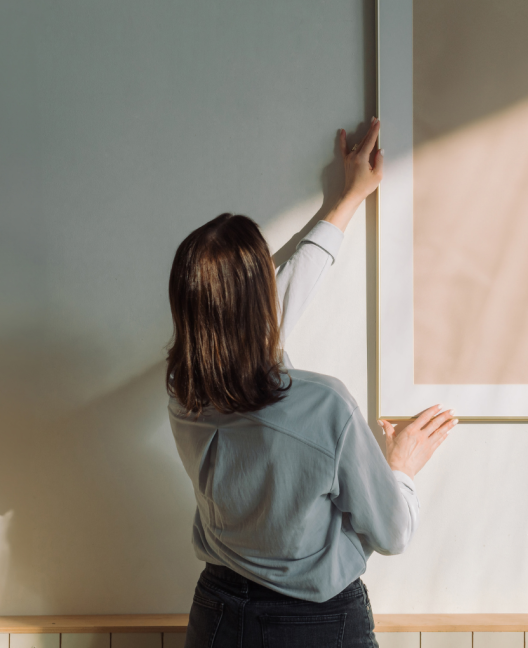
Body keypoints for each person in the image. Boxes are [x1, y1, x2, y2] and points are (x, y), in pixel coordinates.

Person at [167, 118, 456, 648]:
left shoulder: (184, 389)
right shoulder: (324, 406)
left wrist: (346, 202)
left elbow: (277, 299)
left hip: (217, 614)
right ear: (259, 306)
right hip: (314, 626)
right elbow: (392, 534)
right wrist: (400, 467)